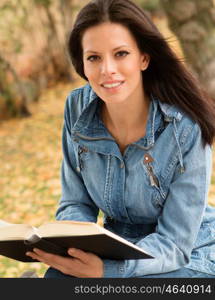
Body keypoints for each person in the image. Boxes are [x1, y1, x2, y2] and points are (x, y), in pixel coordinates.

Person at [26, 0, 215, 278]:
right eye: (94, 58)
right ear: (82, 64)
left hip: (186, 252)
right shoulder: (77, 109)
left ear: (144, 58)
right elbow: (76, 203)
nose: (107, 70)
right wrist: (74, 249)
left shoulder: (185, 127)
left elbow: (175, 243)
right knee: (57, 279)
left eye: (121, 53)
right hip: (114, 246)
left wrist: (110, 270)